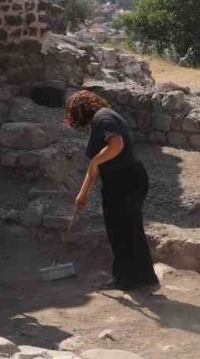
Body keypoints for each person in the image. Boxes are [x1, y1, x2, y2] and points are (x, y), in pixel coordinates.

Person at [66, 90, 160, 292]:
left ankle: (129, 279)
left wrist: (95, 161)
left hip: (125, 181)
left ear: (81, 111)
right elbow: (95, 167)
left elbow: (116, 145)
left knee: (123, 231)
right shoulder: (101, 120)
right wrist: (82, 195)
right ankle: (140, 278)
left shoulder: (103, 117)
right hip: (122, 180)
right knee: (127, 230)